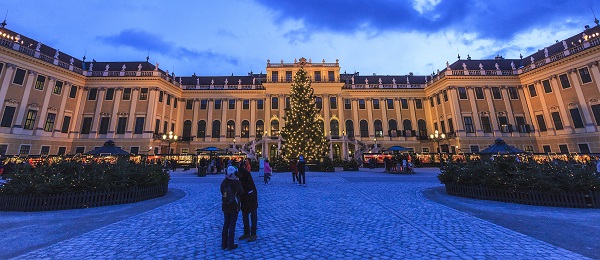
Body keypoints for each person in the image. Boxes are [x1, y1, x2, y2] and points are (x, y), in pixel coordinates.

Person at [221, 166, 243, 250]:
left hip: (225, 205)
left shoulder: (224, 182)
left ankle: (224, 243)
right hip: (234, 205)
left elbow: (222, 192)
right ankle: (231, 244)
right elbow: (241, 192)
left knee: (226, 223)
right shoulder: (236, 182)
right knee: (232, 225)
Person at [236, 166, 259, 242]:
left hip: (251, 198)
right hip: (245, 198)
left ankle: (253, 234)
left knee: (253, 216)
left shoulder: (246, 176)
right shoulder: (241, 177)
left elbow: (248, 187)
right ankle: (246, 232)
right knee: (245, 215)